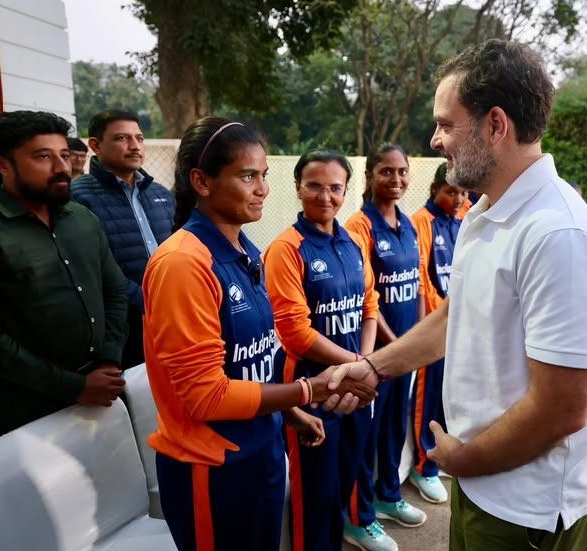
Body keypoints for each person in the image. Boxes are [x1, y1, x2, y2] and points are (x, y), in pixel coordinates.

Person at [326, 39, 587, 550]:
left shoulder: (560, 237)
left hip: (528, 508)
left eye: (446, 123)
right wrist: (377, 367)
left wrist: (466, 459)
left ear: (496, 125)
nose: (435, 140)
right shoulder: (485, 214)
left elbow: (563, 408)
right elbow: (456, 316)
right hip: (480, 480)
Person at [142, 118, 374, 551]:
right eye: (248, 176)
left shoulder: (245, 250)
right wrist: (307, 391)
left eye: (264, 175)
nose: (263, 189)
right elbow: (205, 395)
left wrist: (285, 414)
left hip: (260, 449)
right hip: (211, 467)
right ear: (202, 182)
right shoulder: (182, 264)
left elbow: (252, 360)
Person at [0, 111, 128, 443]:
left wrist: (108, 360)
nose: (62, 167)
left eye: (63, 155)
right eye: (43, 157)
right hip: (22, 417)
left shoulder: (82, 218)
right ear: (1, 164)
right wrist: (74, 387)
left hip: (99, 398)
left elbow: (115, 292)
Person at [263, 149, 382, 551]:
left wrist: (363, 363)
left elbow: (369, 307)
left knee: (339, 491)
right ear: (297, 188)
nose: (325, 196)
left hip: (354, 389)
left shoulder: (350, 243)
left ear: (347, 191)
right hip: (311, 393)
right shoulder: (286, 249)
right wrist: (359, 366)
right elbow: (295, 333)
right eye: (314, 185)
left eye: (335, 187)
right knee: (313, 499)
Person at [345, 143, 427, 549]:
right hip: (377, 356)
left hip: (406, 352)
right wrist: (400, 347)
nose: (396, 180)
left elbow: (416, 285)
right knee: (366, 433)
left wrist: (420, 337)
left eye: (401, 172)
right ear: (370, 177)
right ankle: (357, 518)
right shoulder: (360, 227)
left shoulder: (409, 225)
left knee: (395, 427)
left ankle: (387, 496)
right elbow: (366, 299)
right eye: (386, 172)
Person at [72, 109, 174, 369]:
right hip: (122, 327)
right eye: (122, 138)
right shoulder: (78, 199)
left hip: (172, 316)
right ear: (95, 145)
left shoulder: (159, 194)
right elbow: (91, 269)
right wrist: (147, 302)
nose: (134, 146)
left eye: (139, 138)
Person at [408, 161, 467, 504]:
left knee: (450, 394)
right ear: (435, 191)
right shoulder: (421, 221)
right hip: (437, 325)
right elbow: (422, 277)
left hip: (460, 326)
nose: (458, 198)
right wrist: (446, 312)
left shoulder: (463, 219)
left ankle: (442, 457)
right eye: (450, 192)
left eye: (461, 192)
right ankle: (423, 466)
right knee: (428, 399)